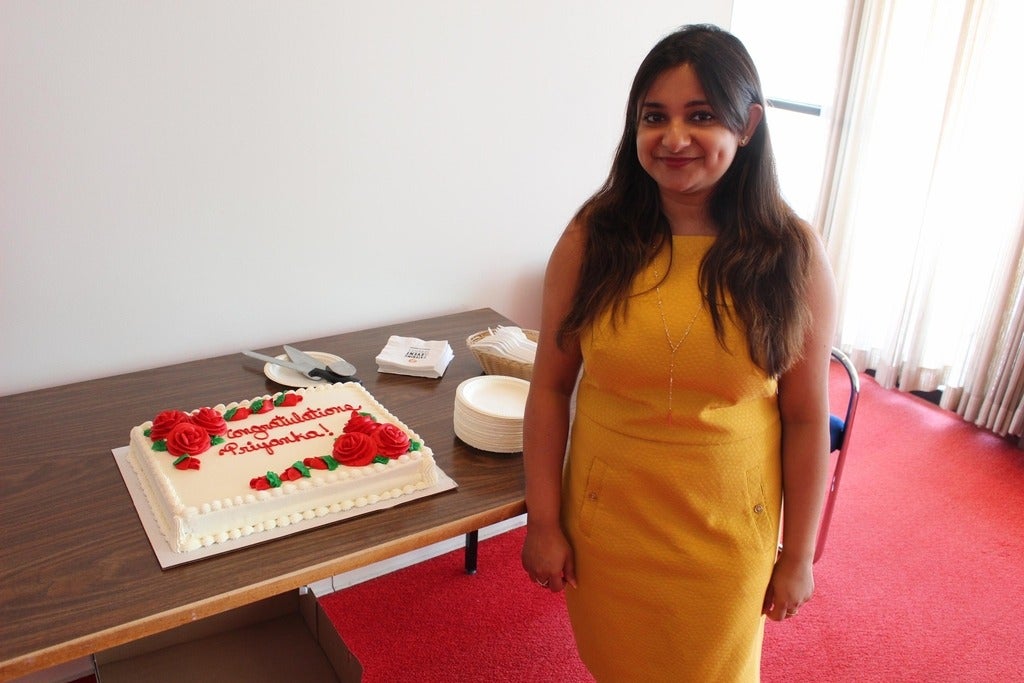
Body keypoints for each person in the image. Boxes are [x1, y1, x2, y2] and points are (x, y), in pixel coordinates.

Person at [520, 24, 837, 682]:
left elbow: (807, 417)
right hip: (610, 527)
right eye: (653, 117)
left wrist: (798, 553)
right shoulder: (592, 238)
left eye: (701, 116)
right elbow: (550, 387)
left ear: (747, 125)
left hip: (727, 536)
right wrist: (544, 520)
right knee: (619, 665)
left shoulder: (791, 254)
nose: (673, 138)